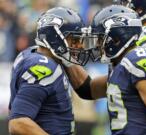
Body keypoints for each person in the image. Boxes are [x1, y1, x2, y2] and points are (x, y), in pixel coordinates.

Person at [62, 5, 146, 135]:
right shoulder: (121, 64)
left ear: (117, 39)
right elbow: (88, 90)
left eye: (100, 39)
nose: (97, 45)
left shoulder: (137, 61)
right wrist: (64, 55)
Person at [8, 6, 89, 135]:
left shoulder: (33, 52)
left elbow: (87, 87)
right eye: (74, 39)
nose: (79, 45)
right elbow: (18, 123)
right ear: (55, 38)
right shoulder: (44, 68)